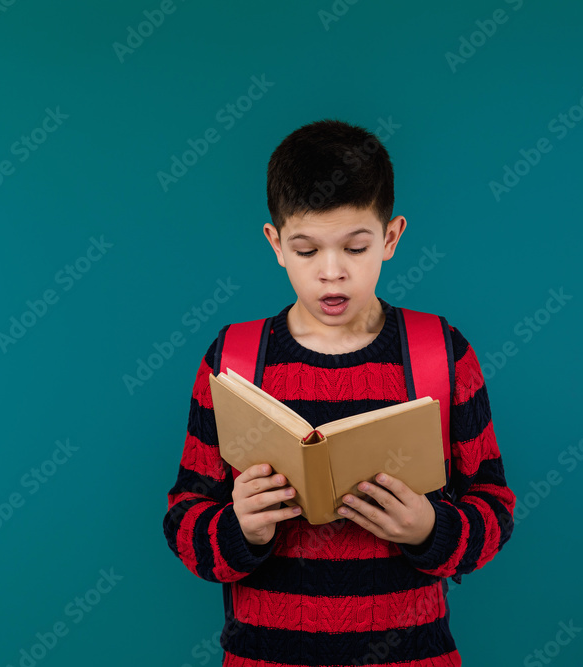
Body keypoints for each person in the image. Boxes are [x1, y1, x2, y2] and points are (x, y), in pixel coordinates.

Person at [162, 118, 516, 666]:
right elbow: (184, 521)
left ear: (391, 238)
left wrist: (430, 529)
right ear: (275, 244)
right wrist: (240, 529)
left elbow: (494, 507)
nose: (332, 274)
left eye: (355, 247)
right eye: (306, 251)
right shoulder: (234, 359)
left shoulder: (441, 352)